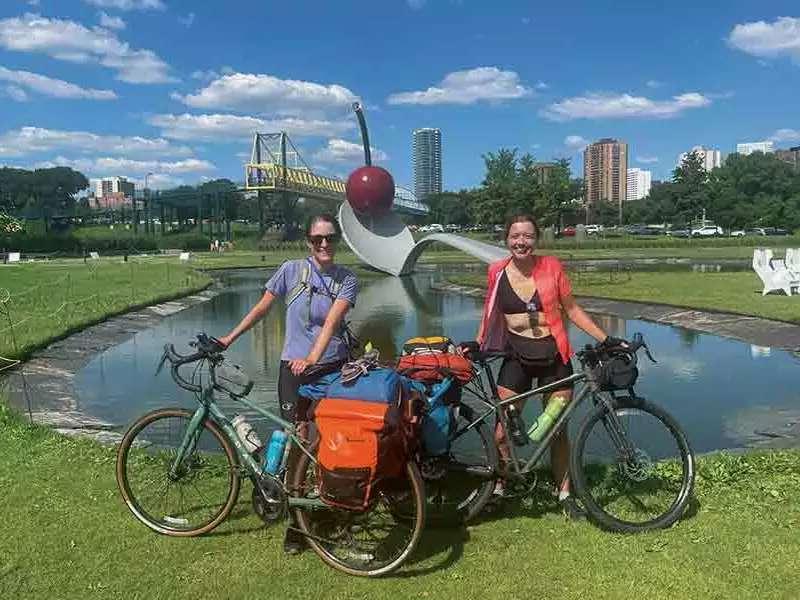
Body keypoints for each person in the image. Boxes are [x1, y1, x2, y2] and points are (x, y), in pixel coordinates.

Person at [217, 213, 358, 553]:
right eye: (317, 239)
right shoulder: (290, 270)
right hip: (292, 372)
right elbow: (262, 309)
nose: (324, 244)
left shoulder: (347, 279)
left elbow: (331, 324)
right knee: (300, 441)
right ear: (308, 241)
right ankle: (297, 522)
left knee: (330, 442)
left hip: (331, 367)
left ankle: (328, 509)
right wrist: (228, 338)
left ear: (337, 240)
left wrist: (313, 357)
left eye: (330, 238)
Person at [472, 214, 623, 519]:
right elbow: (489, 313)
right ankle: (501, 486)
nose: (521, 242)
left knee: (557, 430)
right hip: (517, 358)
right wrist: (477, 345)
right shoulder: (496, 272)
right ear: (506, 239)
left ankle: (564, 492)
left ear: (536, 240)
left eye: (527, 236)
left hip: (554, 357)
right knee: (502, 432)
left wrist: (606, 339)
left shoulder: (551, 266)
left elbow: (573, 309)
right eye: (515, 236)